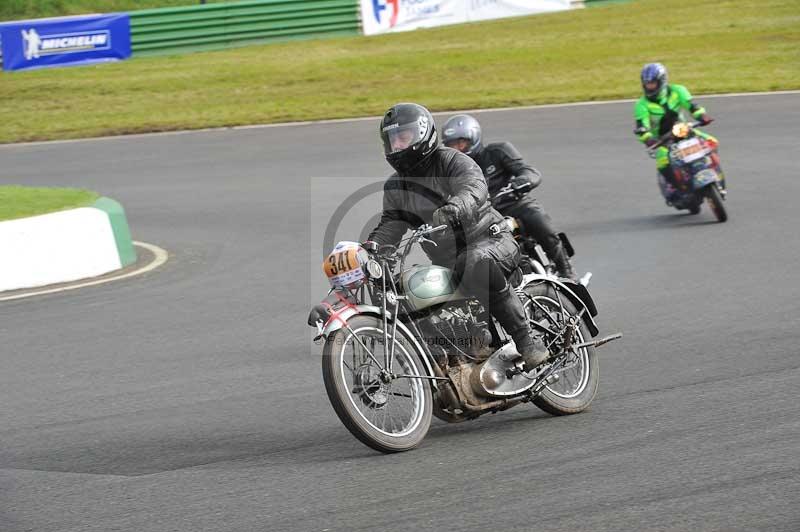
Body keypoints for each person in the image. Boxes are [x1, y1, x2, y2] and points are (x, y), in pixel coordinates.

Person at [365, 103, 548, 371]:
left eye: (403, 137)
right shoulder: (396, 186)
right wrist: (370, 250)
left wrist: (454, 209)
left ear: (422, 134)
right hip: (448, 261)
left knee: (476, 261)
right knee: (407, 287)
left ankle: (527, 341)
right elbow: (392, 223)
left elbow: (474, 187)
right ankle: (445, 354)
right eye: (392, 140)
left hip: (492, 241)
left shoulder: (451, 160)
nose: (397, 146)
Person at [441, 114, 576, 280]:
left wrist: (521, 182)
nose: (457, 148)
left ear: (473, 138)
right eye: (452, 145)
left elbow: (530, 172)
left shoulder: (497, 152)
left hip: (513, 203)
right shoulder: (450, 173)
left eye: (461, 142)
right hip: (482, 216)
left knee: (539, 221)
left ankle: (567, 271)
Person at [634, 63, 716, 204]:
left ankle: (714, 172)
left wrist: (702, 116)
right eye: (647, 84)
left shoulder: (678, 90)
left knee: (711, 142)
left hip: (683, 130)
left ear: (662, 81)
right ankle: (677, 188)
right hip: (661, 139)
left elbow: (692, 106)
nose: (650, 87)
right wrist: (648, 139)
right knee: (663, 161)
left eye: (653, 83)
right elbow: (642, 126)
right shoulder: (641, 105)